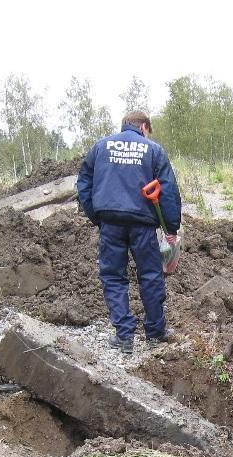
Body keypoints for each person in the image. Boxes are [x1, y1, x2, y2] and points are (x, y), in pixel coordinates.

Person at [77, 110, 181, 356]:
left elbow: (83, 183)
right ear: (144, 126)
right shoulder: (153, 150)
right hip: (143, 224)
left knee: (113, 277)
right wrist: (171, 228)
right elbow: (168, 191)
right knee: (150, 275)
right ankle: (155, 332)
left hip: (110, 221)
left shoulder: (101, 147)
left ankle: (124, 336)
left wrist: (97, 216)